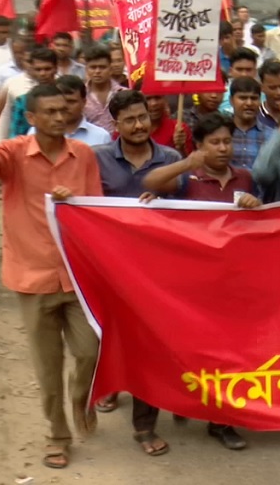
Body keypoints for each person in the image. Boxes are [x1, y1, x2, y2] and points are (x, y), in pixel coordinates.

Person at [0, 84, 103, 469]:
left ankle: (81, 400)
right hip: (32, 277)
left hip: (77, 276)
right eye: (50, 112)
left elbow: (97, 210)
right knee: (48, 366)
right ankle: (57, 436)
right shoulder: (13, 154)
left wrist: (73, 203)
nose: (60, 117)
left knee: (89, 352)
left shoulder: (83, 154)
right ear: (31, 118)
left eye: (64, 110)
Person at [142, 113, 259, 451]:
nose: (223, 148)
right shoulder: (186, 179)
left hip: (231, 282)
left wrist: (255, 205)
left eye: (227, 141)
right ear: (200, 146)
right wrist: (185, 164)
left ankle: (221, 422)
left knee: (228, 355)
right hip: (191, 283)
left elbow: (260, 222)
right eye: (215, 143)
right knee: (187, 350)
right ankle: (184, 401)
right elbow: (151, 181)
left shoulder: (245, 178)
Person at [92, 90, 182, 453]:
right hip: (111, 266)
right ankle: (114, 382)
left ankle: (144, 427)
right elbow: (86, 205)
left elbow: (189, 208)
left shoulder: (171, 158)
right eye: (129, 120)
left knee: (151, 344)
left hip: (159, 269)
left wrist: (164, 202)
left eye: (142, 117)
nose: (138, 125)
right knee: (111, 335)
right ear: (116, 124)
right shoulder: (97, 159)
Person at [0, 47, 57, 143]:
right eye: (38, 69)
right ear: (31, 68)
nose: (43, 73)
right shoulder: (15, 88)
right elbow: (5, 119)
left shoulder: (64, 88)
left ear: (55, 68)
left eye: (47, 69)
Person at [28, 75, 110, 146]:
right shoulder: (35, 132)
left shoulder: (101, 136)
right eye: (60, 101)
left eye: (71, 101)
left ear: (84, 102)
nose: (65, 106)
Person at [228, 77, 274, 169]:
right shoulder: (223, 133)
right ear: (231, 100)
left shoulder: (271, 136)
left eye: (254, 98)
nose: (249, 103)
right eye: (243, 98)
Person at [83, 45, 125, 133]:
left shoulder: (123, 94)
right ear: (86, 69)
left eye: (102, 67)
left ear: (110, 68)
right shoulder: (80, 96)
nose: (97, 71)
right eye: (93, 67)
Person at [218, 47, 259, 115]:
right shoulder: (220, 96)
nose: (244, 74)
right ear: (230, 71)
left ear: (255, 71)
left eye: (248, 70)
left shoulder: (264, 98)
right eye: (239, 69)